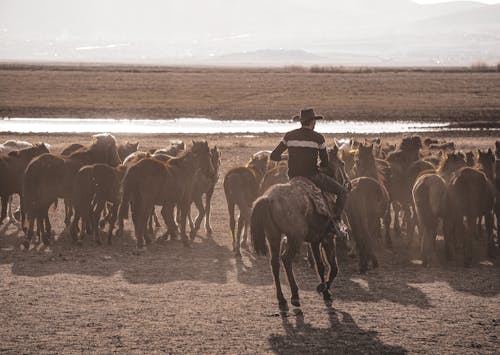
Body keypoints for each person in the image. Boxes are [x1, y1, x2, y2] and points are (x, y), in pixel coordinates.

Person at [270, 107, 348, 235]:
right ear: (313, 122)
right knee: (343, 192)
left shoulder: (289, 135)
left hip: (293, 177)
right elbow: (325, 163)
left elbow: (273, 156)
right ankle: (337, 222)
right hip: (312, 176)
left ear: (301, 121)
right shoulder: (318, 138)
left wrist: (287, 156)